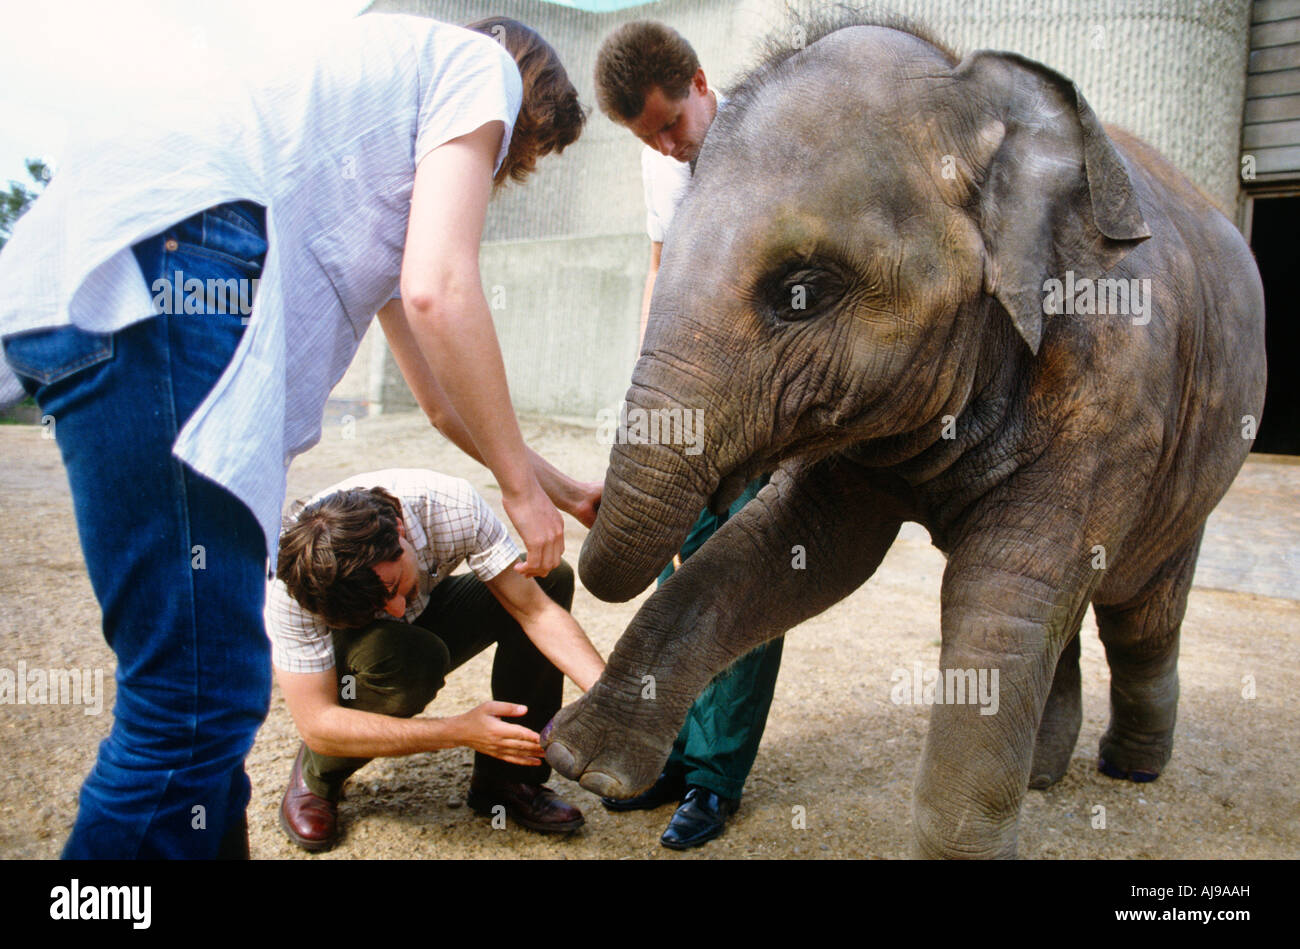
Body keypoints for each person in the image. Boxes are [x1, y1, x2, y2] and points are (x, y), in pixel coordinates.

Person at [0, 13, 597, 858]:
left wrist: (563, 489)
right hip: (182, 270)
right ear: (525, 105)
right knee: (187, 710)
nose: (501, 168)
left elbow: (439, 400)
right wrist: (521, 488)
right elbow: (440, 288)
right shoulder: (481, 64)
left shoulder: (369, 154)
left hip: (84, 279)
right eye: (517, 153)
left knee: (207, 702)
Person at [592, 20, 784, 850]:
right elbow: (663, 271)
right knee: (681, 572)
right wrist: (647, 392)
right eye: (648, 136)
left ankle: (714, 779)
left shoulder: (773, 138)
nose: (666, 148)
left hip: (763, 404)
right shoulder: (657, 160)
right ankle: (673, 750)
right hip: (688, 402)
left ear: (703, 84)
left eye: (671, 124)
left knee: (739, 581)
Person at [268, 468, 605, 851]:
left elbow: (536, 612)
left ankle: (508, 779)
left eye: (393, 588)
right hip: (361, 658)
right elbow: (316, 722)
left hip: (428, 610)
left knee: (546, 580)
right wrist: (457, 731)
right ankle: (317, 778)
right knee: (408, 658)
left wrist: (610, 697)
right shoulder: (294, 585)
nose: (395, 609)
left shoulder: (450, 506)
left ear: (398, 528)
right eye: (379, 604)